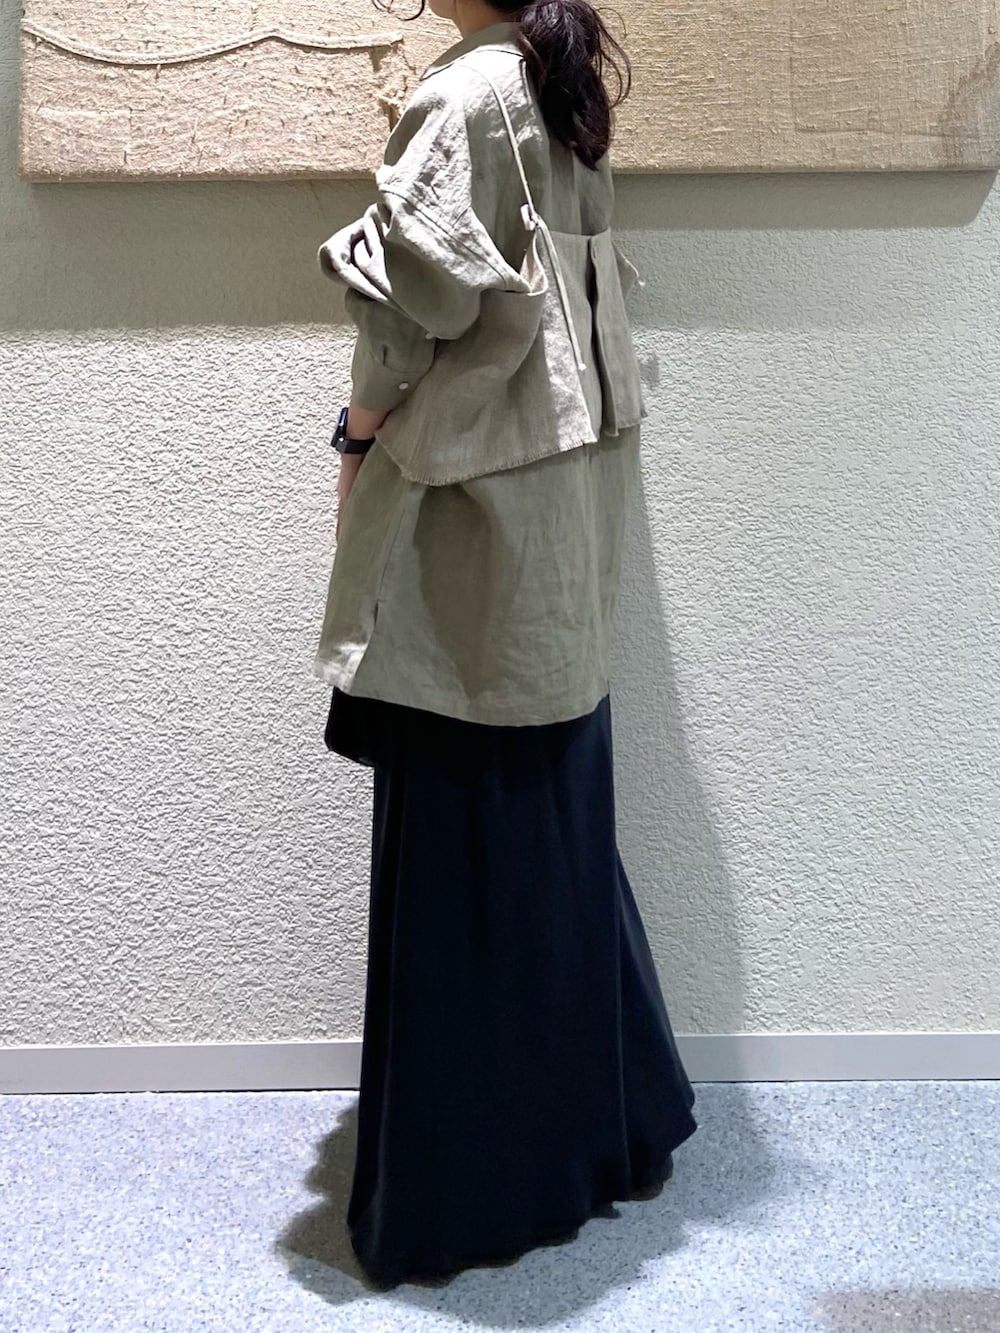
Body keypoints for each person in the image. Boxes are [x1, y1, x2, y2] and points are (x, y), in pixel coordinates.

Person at [312, 0, 698, 1288]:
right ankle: (592, 1138)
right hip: (567, 505)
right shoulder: (563, 85)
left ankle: (471, 1190)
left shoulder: (465, 95)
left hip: (477, 497)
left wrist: (356, 438)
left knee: (463, 807)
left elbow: (406, 315)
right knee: (547, 811)